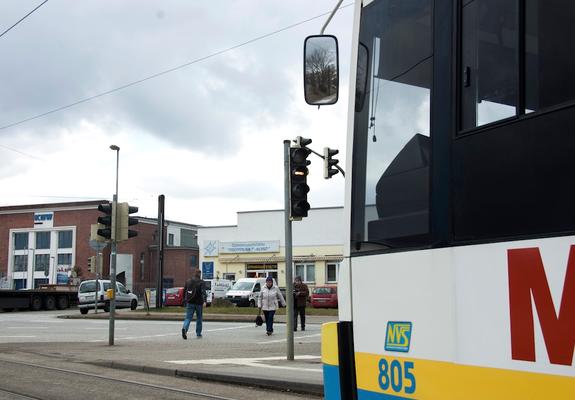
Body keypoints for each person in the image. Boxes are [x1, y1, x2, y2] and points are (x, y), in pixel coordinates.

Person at [182, 269, 207, 339]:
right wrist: (205, 301)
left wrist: (184, 299)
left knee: (188, 318)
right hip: (199, 303)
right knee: (199, 318)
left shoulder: (188, 281)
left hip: (190, 302)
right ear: (200, 274)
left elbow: (184, 291)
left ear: (194, 273)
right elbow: (203, 292)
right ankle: (198, 333)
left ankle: (185, 328)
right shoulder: (202, 282)